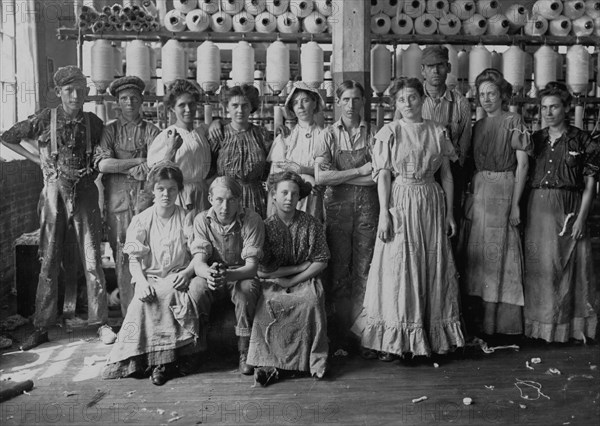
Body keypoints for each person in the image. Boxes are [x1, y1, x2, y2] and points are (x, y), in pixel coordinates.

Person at [0, 65, 114, 350]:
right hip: (53, 195)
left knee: (92, 259)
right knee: (49, 259)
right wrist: (37, 159)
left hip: (87, 193)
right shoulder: (44, 119)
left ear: (87, 93)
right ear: (58, 92)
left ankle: (99, 322)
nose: (75, 95)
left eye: (80, 90)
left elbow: (103, 156)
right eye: (68, 90)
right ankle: (42, 325)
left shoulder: (94, 123)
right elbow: (8, 137)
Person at [352, 78, 465, 360]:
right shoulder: (388, 132)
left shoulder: (438, 131)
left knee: (431, 265)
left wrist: (450, 213)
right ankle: (395, 339)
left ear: (422, 99)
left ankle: (429, 335)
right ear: (395, 105)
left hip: (430, 201)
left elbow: (448, 176)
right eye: (401, 100)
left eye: (412, 97)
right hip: (400, 202)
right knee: (399, 267)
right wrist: (384, 216)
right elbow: (384, 177)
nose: (407, 104)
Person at [102, 162, 203, 386]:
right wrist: (140, 282)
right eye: (161, 189)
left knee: (170, 296)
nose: (166, 194)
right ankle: (145, 360)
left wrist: (187, 273)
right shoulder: (141, 220)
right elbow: (134, 259)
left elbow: (198, 254)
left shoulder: (187, 218)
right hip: (152, 278)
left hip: (179, 276)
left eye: (172, 189)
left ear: (179, 191)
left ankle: (167, 363)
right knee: (141, 303)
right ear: (153, 190)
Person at [524, 82, 599, 343]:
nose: (548, 112)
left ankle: (569, 329)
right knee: (541, 268)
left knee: (569, 268)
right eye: (544, 108)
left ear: (566, 108)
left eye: (554, 106)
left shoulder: (582, 139)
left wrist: (581, 219)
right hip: (538, 208)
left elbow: (591, 185)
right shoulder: (535, 140)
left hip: (570, 208)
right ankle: (542, 329)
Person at [461, 68, 531, 341]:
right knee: (478, 260)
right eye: (482, 94)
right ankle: (479, 325)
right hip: (479, 195)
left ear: (503, 94)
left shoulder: (514, 121)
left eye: (492, 93)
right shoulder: (477, 126)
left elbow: (523, 166)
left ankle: (497, 325)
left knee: (500, 255)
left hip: (503, 191)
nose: (487, 98)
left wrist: (515, 205)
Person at [313, 80, 378, 355]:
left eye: (356, 99)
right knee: (339, 272)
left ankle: (362, 337)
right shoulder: (328, 135)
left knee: (365, 270)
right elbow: (321, 177)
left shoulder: (375, 133)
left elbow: (377, 177)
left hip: (367, 208)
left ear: (364, 102)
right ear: (337, 102)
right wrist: (360, 170)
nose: (351, 105)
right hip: (337, 210)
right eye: (346, 100)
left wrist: (343, 177)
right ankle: (339, 336)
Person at [248, 172, 330, 386]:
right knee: (268, 304)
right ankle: (268, 364)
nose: (289, 198)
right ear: (273, 195)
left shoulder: (310, 224)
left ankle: (310, 361)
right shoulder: (264, 227)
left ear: (299, 198)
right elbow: (262, 272)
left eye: (294, 194)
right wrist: (295, 268)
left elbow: (321, 261)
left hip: (305, 279)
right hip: (274, 280)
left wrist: (294, 279)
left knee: (310, 302)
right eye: (284, 193)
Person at [95, 76, 161, 317]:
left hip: (146, 201)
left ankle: (150, 317)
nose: (129, 102)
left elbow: (158, 165)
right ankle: (128, 319)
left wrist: (123, 164)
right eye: (124, 98)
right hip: (119, 205)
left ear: (142, 100)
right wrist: (137, 161)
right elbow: (103, 165)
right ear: (117, 103)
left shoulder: (153, 131)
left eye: (134, 97)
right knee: (124, 258)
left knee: (150, 256)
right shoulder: (108, 131)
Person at [190, 177, 264, 375]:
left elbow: (252, 267)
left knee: (246, 290)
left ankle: (244, 351)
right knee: (196, 288)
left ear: (239, 200)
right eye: (219, 199)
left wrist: (229, 275)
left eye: (231, 200)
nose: (225, 206)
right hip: (213, 273)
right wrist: (210, 274)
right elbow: (198, 263)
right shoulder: (201, 220)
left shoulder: (251, 219)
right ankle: (196, 349)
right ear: (209, 198)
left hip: (240, 274)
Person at [420, 46, 472, 248]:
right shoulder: (412, 100)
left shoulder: (460, 104)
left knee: (448, 231)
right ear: (422, 70)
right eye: (430, 67)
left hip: (450, 176)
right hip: (420, 177)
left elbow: (464, 147)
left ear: (448, 67)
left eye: (440, 66)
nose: (435, 71)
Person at [148, 79, 211, 211]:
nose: (188, 109)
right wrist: (171, 149)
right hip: (179, 196)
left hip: (202, 193)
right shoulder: (167, 136)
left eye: (192, 104)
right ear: (172, 108)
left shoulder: (200, 134)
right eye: (182, 105)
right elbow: (156, 174)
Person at [209, 85, 271, 218]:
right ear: (227, 107)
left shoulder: (262, 134)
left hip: (256, 197)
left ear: (251, 107)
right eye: (235, 105)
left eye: (245, 105)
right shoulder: (219, 133)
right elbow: (209, 168)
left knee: (255, 234)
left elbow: (271, 167)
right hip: (226, 199)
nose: (240, 110)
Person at [267, 82, 326, 221]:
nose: (300, 106)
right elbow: (274, 178)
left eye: (305, 100)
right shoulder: (286, 137)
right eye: (295, 102)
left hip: (315, 199)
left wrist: (301, 170)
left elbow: (329, 172)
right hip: (287, 201)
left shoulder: (326, 137)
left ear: (314, 103)